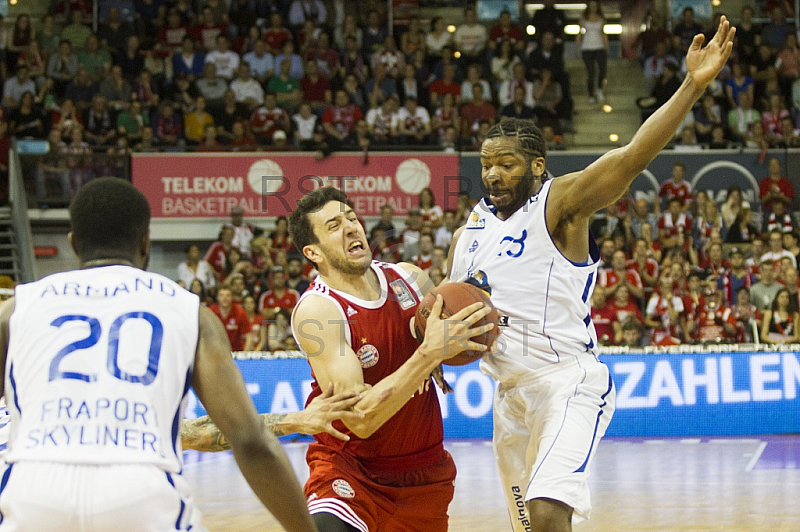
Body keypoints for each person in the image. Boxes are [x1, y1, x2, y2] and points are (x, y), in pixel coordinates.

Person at [446, 17, 735, 532]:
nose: (494, 174)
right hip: (508, 397)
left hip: (568, 382)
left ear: (537, 166)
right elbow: (455, 309)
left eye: (508, 164)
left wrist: (692, 84)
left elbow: (632, 156)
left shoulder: (561, 202)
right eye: (488, 164)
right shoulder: (468, 231)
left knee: (548, 509)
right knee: (530, 527)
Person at [0, 177, 317, 531]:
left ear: (73, 244)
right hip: (141, 493)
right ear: (145, 242)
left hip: (33, 493)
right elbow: (249, 440)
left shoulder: (15, 309)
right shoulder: (191, 312)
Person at [287, 186, 494, 531]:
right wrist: (430, 354)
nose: (351, 228)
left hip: (424, 470)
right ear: (313, 252)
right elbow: (362, 419)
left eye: (352, 218)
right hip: (351, 468)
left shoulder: (411, 279)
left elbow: (449, 334)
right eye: (334, 226)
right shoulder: (318, 310)